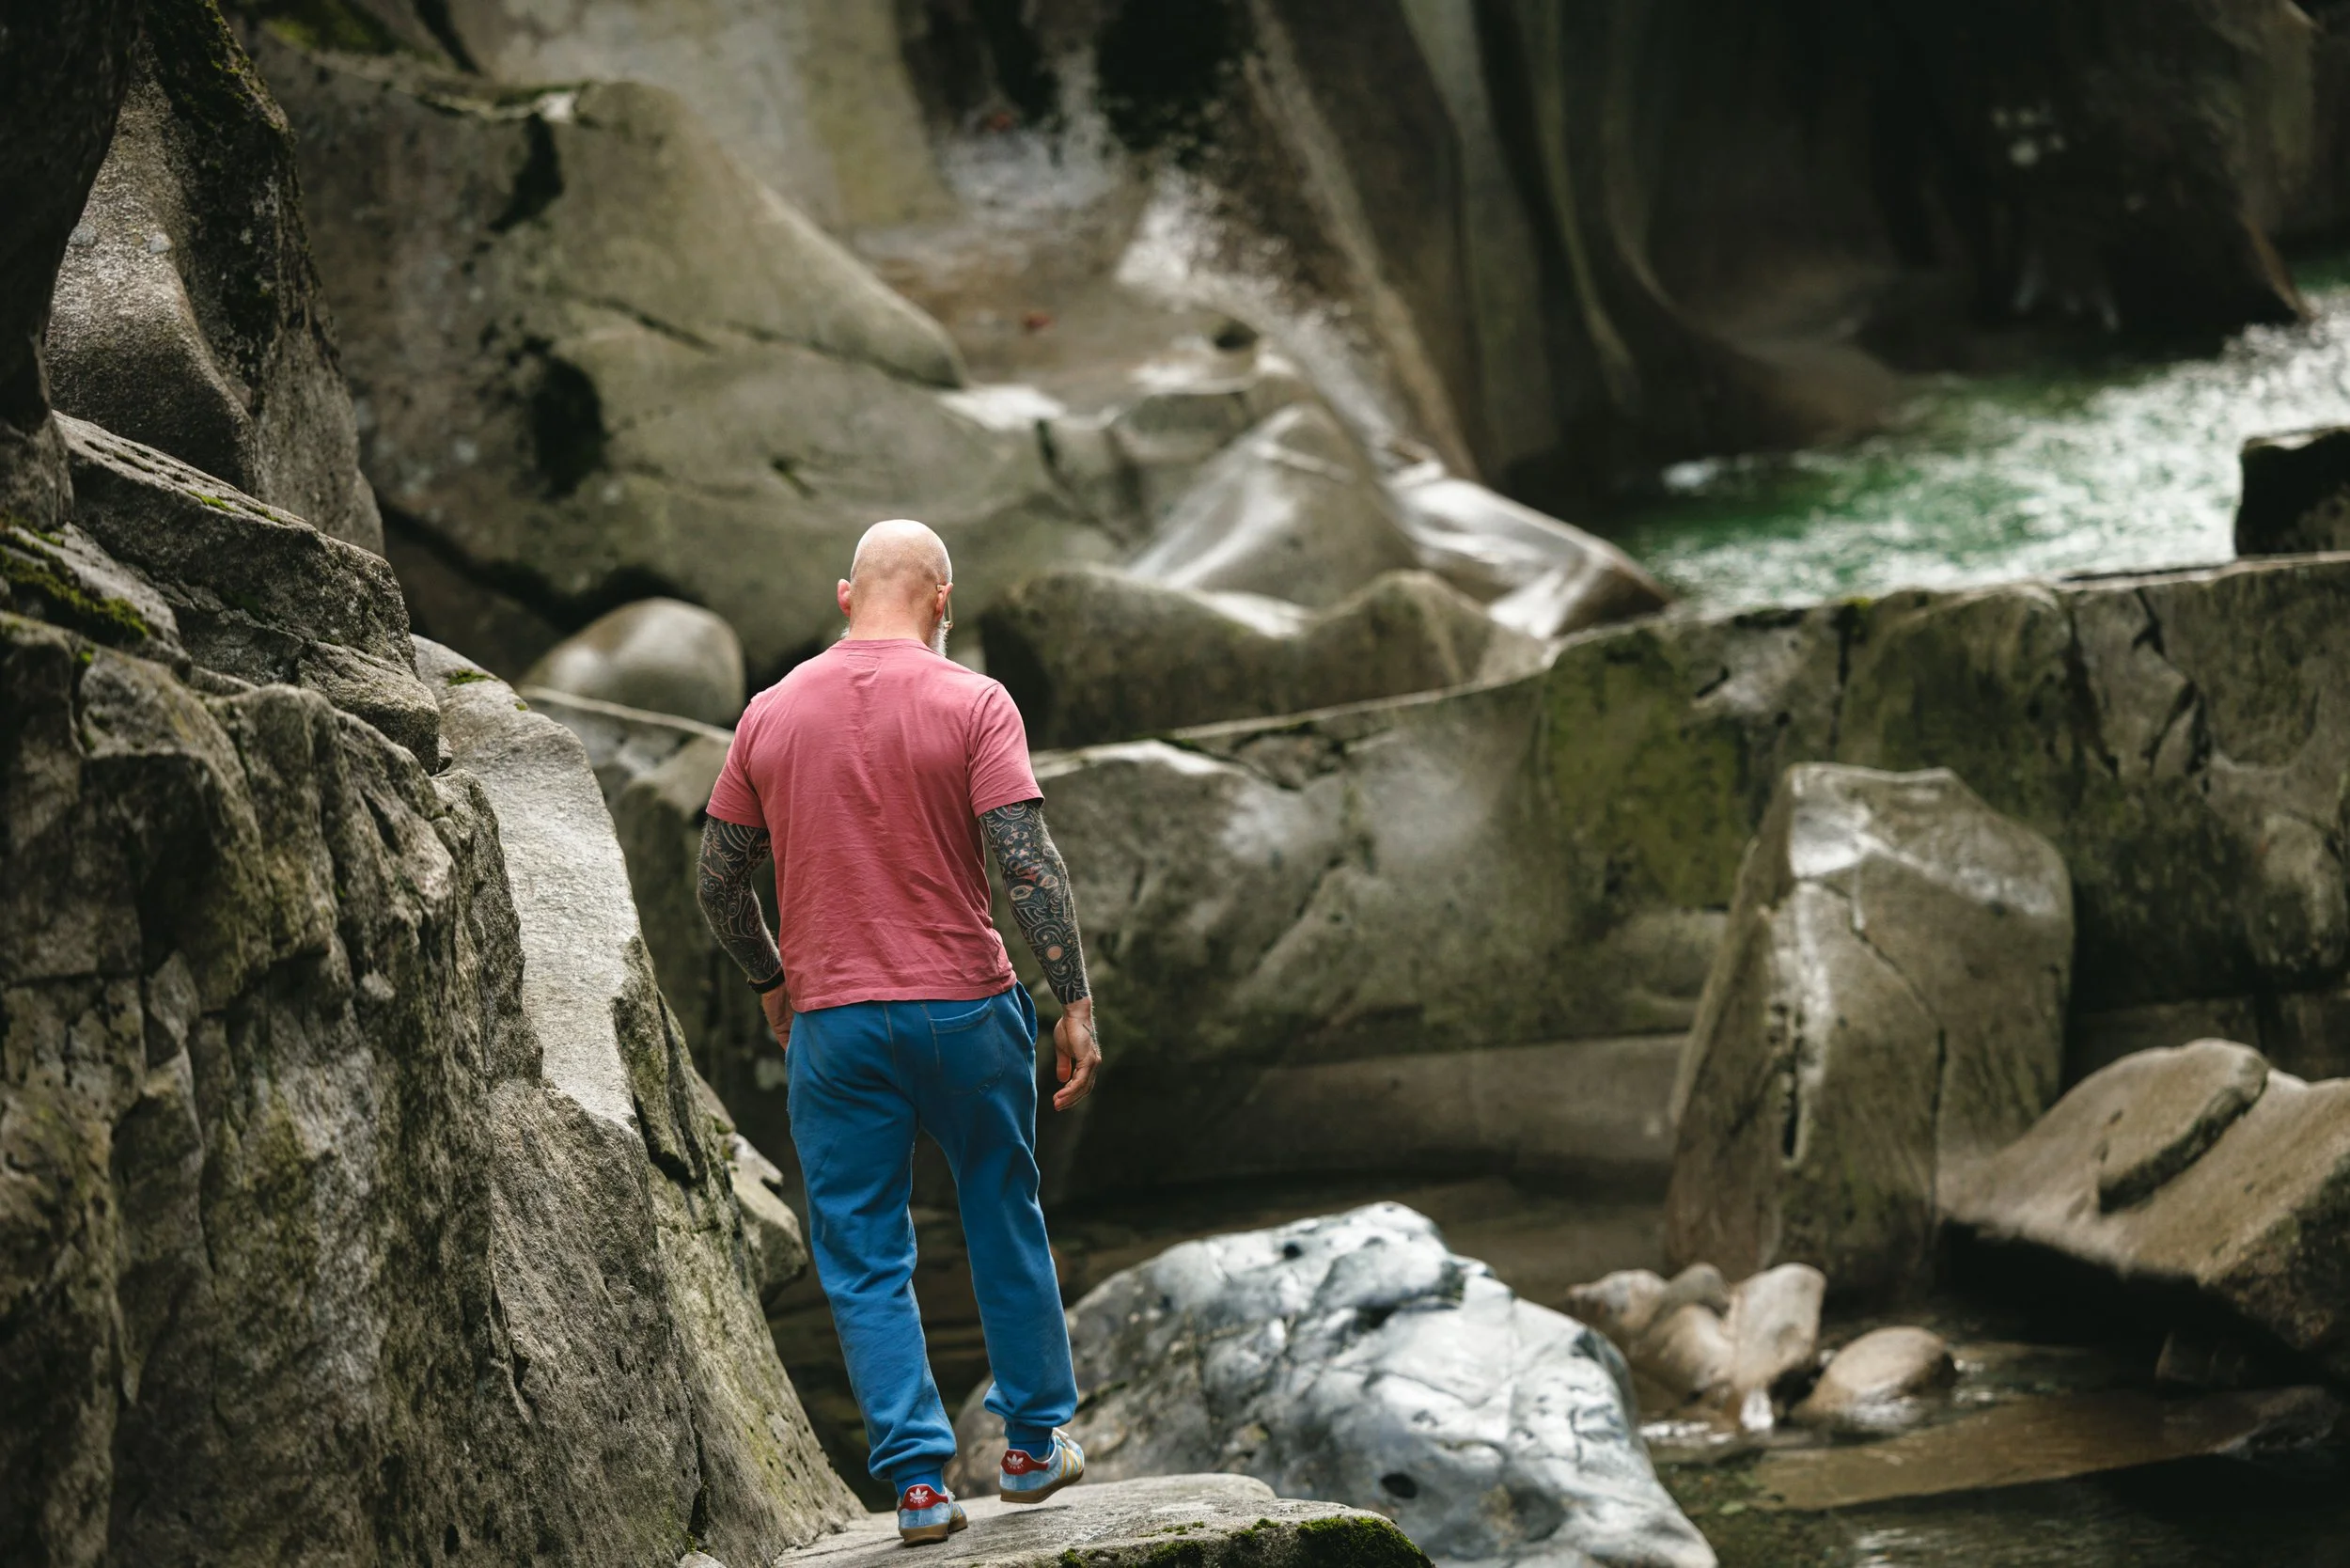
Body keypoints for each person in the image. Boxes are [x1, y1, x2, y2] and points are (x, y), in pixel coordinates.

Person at [695, 519, 1102, 1546]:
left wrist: (770, 978)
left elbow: (717, 883)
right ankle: (1031, 1446)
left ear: (845, 595)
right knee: (1000, 1208)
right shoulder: (973, 701)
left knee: (865, 1252)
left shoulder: (769, 713)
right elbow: (1026, 863)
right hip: (967, 1010)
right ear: (943, 600)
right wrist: (1075, 998)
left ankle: (918, 1488)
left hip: (834, 1028)